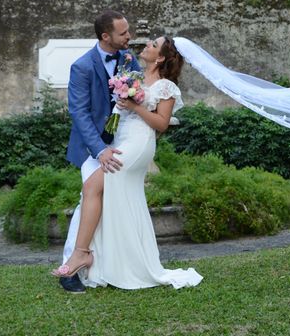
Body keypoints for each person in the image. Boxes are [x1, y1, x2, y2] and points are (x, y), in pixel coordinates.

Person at [53, 35, 202, 290]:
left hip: (138, 143)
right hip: (120, 140)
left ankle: (81, 254)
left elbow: (161, 125)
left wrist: (135, 108)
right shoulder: (134, 75)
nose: (146, 46)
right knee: (113, 197)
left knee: (92, 188)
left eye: (153, 45)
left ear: (162, 57)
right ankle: (115, 261)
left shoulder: (166, 86)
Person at [58, 9, 141, 293]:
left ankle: (108, 265)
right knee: (88, 201)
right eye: (123, 33)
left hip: (124, 142)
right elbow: (79, 113)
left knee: (113, 204)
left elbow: (137, 94)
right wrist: (100, 150)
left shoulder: (130, 59)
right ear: (106, 36)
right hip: (93, 147)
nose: (129, 36)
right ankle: (69, 269)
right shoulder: (82, 66)